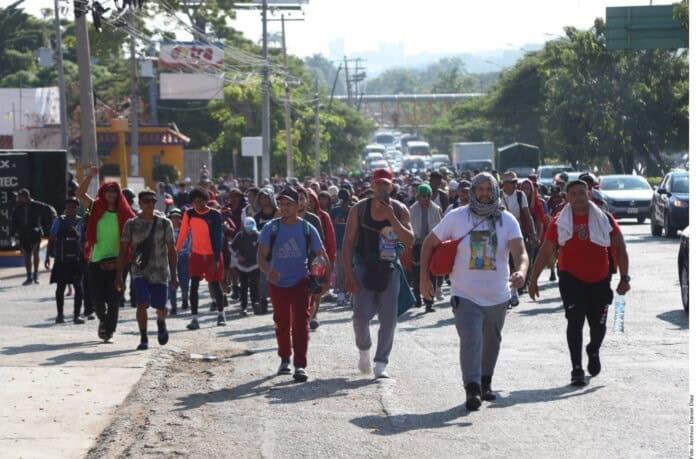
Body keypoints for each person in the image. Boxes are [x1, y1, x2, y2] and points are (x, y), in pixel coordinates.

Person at [419, 172, 528, 411]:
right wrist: (423, 278)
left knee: (492, 342)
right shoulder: (456, 218)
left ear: (496, 191)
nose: (484, 193)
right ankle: (472, 389)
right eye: (480, 188)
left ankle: (486, 382)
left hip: (498, 295)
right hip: (464, 294)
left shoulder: (507, 220)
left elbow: (520, 252)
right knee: (470, 339)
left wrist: (520, 271)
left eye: (489, 189)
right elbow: (429, 243)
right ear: (472, 192)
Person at [528, 179, 630, 387]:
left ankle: (593, 349)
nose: (578, 197)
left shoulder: (604, 219)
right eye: (573, 194)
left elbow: (620, 246)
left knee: (598, 326)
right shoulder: (560, 221)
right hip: (570, 278)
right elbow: (546, 250)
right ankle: (576, 368)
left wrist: (624, 277)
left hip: (600, 279)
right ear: (567, 197)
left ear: (589, 194)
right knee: (575, 322)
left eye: (582, 193)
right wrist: (533, 279)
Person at [343, 169, 414, 379]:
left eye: (386, 184)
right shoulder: (359, 209)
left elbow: (409, 241)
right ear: (372, 186)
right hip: (364, 266)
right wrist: (348, 274)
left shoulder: (400, 210)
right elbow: (347, 243)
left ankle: (381, 362)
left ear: (391, 186)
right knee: (360, 318)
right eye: (378, 184)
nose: (382, 188)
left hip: (389, 267)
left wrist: (392, 217)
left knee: (389, 319)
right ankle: (363, 350)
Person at [258, 186, 328, 383]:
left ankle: (300, 365)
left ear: (298, 205)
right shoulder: (270, 228)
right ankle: (284, 359)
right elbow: (261, 256)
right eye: (281, 204)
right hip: (277, 283)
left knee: (300, 323)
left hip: (301, 282)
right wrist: (268, 270)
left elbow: (322, 256)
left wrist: (325, 281)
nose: (284, 208)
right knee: (281, 322)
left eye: (289, 204)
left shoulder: (307, 228)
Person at [77, 166, 136, 342]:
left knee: (114, 298)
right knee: (97, 299)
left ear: (119, 195)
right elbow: (80, 194)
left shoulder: (126, 213)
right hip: (97, 259)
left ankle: (108, 330)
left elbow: (135, 235)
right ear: (103, 193)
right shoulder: (95, 207)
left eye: (114, 192)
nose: (111, 195)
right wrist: (89, 176)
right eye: (108, 192)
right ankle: (104, 321)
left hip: (120, 260)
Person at [117, 190, 178, 350]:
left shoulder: (165, 224)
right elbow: (123, 251)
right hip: (139, 271)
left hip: (160, 271)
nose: (150, 204)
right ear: (140, 203)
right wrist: (119, 276)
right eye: (146, 201)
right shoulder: (131, 225)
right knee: (141, 303)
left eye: (152, 201)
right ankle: (143, 337)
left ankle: (161, 322)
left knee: (161, 306)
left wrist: (174, 275)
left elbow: (172, 250)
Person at [176, 187, 226, 329]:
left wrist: (216, 259)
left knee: (216, 286)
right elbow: (183, 234)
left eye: (200, 201)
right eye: (194, 202)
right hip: (196, 255)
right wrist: (176, 250)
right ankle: (194, 318)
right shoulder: (189, 214)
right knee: (194, 286)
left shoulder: (215, 215)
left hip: (213, 255)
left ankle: (221, 314)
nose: (197, 204)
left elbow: (218, 238)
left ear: (206, 200)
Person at [500, 171, 538, 306]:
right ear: (504, 184)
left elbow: (528, 216)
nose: (513, 185)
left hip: (517, 232)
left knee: (516, 260)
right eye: (510, 182)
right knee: (505, 262)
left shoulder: (520, 196)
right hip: (501, 233)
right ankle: (507, 292)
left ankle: (514, 291)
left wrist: (533, 233)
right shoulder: (497, 196)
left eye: (515, 182)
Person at [45, 197, 85, 324]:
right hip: (61, 260)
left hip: (76, 260)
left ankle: (76, 315)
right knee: (60, 288)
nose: (71, 209)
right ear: (66, 207)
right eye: (69, 206)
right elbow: (51, 238)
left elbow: (85, 240)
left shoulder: (80, 222)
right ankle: (60, 315)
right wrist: (47, 256)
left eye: (73, 206)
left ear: (77, 208)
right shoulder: (59, 221)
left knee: (79, 289)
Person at [11, 188, 56, 285]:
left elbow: (49, 208)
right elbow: (14, 222)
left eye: (20, 197)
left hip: (34, 232)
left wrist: (53, 215)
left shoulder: (37, 205)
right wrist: (12, 234)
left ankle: (35, 275)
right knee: (27, 255)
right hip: (23, 234)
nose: (18, 199)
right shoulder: (18, 208)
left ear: (25, 197)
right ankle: (29, 276)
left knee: (35, 252)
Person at [409, 183, 443, 311]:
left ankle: (429, 302)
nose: (426, 199)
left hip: (431, 244)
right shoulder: (412, 209)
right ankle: (417, 297)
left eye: (428, 196)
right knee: (417, 273)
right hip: (417, 244)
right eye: (423, 196)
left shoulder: (436, 209)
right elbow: (410, 228)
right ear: (418, 197)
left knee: (431, 273)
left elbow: (440, 228)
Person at [230, 217, 260, 315]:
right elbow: (231, 247)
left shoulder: (259, 235)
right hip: (242, 266)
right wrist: (237, 256)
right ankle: (243, 307)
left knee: (254, 285)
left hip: (255, 265)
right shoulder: (239, 236)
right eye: (248, 228)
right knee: (243, 286)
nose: (250, 231)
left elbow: (264, 248)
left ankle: (255, 304)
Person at [330, 188, 352, 305]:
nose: (344, 203)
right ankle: (341, 294)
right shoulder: (334, 211)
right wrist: (335, 222)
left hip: (352, 244)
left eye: (346, 200)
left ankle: (350, 293)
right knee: (340, 271)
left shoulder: (353, 210)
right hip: (338, 244)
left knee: (352, 269)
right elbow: (330, 227)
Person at [168, 208, 190, 315]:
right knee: (171, 281)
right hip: (170, 258)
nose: (175, 219)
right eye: (173, 217)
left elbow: (190, 242)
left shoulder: (185, 229)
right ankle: (173, 305)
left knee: (184, 279)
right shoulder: (167, 230)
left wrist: (188, 252)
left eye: (177, 217)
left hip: (183, 256)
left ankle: (185, 299)